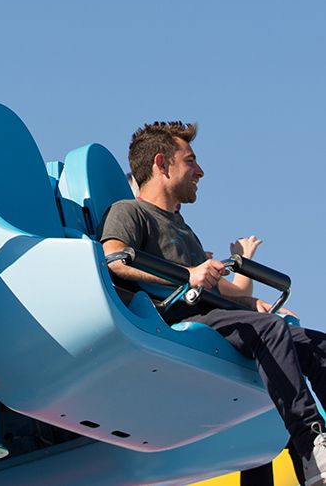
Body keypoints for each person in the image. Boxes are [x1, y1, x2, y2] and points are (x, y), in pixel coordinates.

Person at [98, 121, 326, 486]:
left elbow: (215, 287)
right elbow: (115, 261)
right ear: (161, 164)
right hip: (176, 322)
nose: (200, 171)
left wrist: (253, 302)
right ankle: (308, 440)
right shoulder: (129, 212)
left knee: (316, 344)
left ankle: (316, 461)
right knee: (270, 330)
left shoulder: (183, 228)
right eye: (190, 161)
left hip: (219, 317)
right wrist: (186, 275)